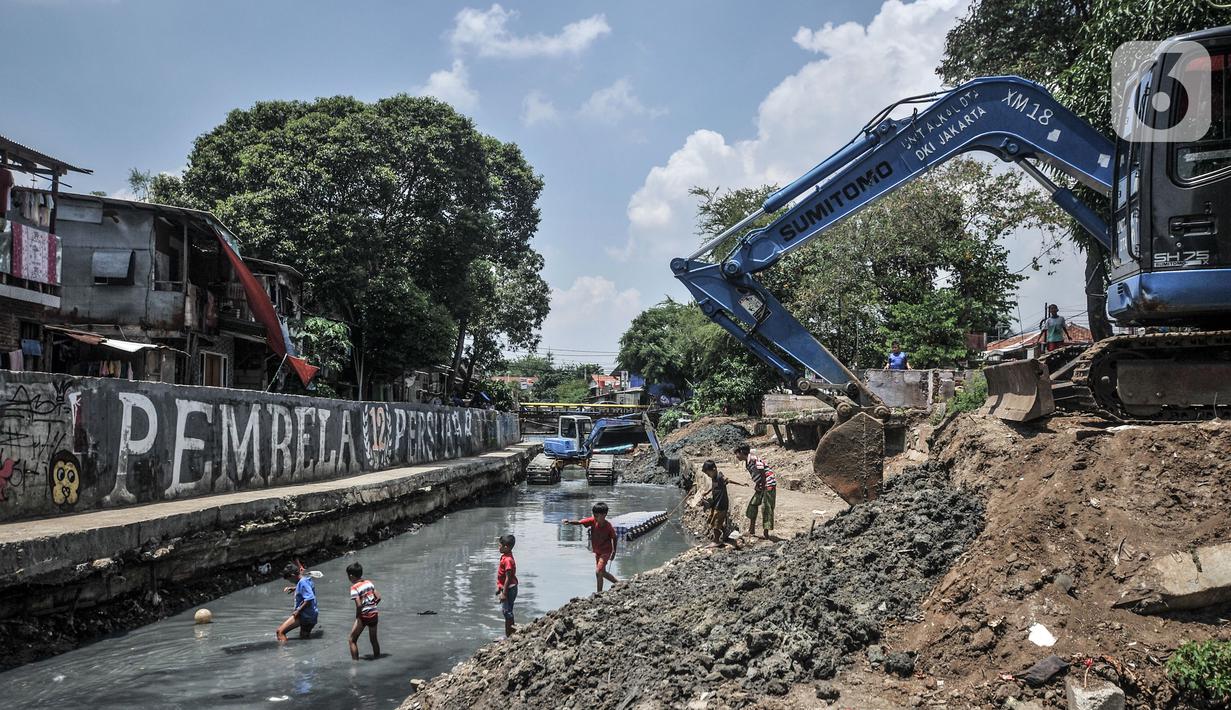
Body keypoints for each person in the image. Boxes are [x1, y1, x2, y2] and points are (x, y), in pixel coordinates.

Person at [563, 502, 619, 593]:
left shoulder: (608, 526)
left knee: (598, 571)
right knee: (602, 572)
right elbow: (580, 522)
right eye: (594, 515)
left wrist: (614, 551)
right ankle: (619, 583)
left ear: (604, 515)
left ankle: (599, 593)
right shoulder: (592, 521)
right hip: (598, 551)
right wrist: (569, 522)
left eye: (597, 516)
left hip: (606, 552)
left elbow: (614, 537)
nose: (595, 517)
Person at [700, 460, 747, 548]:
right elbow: (714, 486)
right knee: (714, 520)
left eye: (708, 474)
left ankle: (716, 541)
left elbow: (728, 480)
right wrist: (707, 492)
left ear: (714, 469)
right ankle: (726, 532)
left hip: (721, 504)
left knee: (716, 523)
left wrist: (741, 483)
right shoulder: (714, 478)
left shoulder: (720, 477)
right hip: (716, 503)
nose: (708, 476)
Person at [734, 445, 777, 539]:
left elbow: (762, 472)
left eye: (737, 454)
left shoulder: (753, 459)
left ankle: (766, 533)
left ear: (741, 452)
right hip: (762, 484)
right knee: (753, 504)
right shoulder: (748, 461)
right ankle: (751, 530)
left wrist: (762, 485)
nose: (736, 456)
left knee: (767, 507)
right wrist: (758, 485)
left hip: (768, 484)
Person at [346, 562, 381, 660]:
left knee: (352, 640)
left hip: (364, 615)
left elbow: (359, 605)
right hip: (374, 613)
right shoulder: (369, 583)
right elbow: (378, 597)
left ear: (351, 576)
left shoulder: (354, 588)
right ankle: (377, 659)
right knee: (374, 639)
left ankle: (355, 665)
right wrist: (371, 606)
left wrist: (358, 616)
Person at [276, 562, 318, 642]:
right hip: (312, 615)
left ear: (292, 576)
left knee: (280, 632)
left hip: (304, 615)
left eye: (288, 579)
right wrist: (296, 588)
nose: (289, 581)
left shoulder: (302, 583)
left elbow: (309, 598)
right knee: (304, 638)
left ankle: (283, 653)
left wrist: (298, 611)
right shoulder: (306, 579)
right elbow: (308, 587)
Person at [496, 534, 518, 637]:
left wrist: (504, 593)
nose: (498, 547)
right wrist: (500, 588)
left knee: (507, 612)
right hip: (508, 588)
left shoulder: (508, 560)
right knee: (508, 611)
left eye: (500, 545)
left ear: (506, 547)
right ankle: (510, 634)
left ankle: (509, 636)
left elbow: (508, 577)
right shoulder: (506, 556)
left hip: (509, 589)